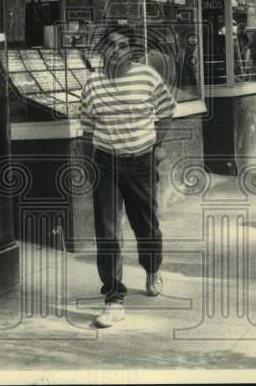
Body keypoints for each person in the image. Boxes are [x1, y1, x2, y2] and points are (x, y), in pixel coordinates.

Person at [81, 23, 177, 328]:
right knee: (107, 233)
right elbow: (87, 128)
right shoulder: (93, 83)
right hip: (106, 163)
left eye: (123, 46)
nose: (116, 51)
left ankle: (152, 268)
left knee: (146, 225)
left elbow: (167, 111)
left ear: (131, 50)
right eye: (110, 45)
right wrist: (88, 163)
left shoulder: (147, 76)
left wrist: (158, 146)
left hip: (141, 161)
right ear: (102, 49)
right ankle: (113, 298)